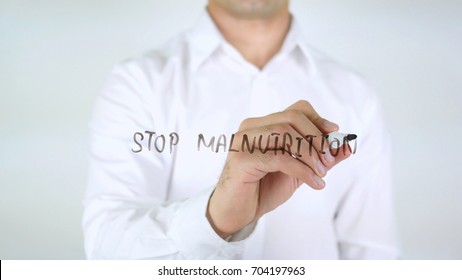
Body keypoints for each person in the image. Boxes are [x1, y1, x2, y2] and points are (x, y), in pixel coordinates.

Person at [83, 0, 399, 259]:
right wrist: (217, 217)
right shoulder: (138, 84)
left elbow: (373, 256)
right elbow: (106, 249)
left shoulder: (356, 95)